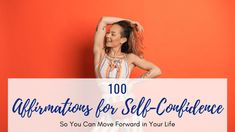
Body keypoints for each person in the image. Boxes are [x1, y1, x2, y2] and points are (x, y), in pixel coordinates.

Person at [94, 16, 161, 78]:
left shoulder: (129, 58)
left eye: (113, 34)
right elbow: (103, 20)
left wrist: (133, 83)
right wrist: (130, 22)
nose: (107, 36)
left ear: (123, 40)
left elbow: (156, 70)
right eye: (108, 33)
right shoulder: (100, 53)